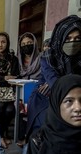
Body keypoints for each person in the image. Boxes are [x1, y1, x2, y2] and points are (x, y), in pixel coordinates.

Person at [26, 15, 81, 145]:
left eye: (78, 38)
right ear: (60, 38)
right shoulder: (48, 57)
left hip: (74, 100)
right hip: (44, 99)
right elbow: (57, 85)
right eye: (68, 38)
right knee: (47, 128)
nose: (73, 42)